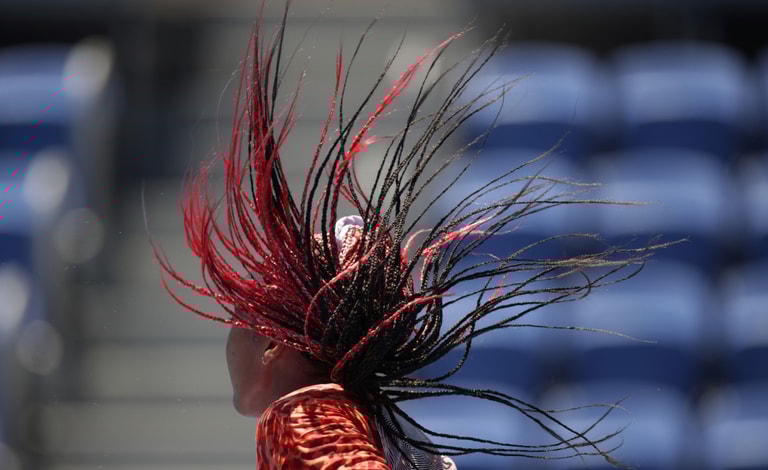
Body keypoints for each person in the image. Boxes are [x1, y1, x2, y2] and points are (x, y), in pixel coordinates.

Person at [149, 1, 666, 468]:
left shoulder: (304, 418)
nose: (235, 333)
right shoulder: (367, 423)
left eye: (246, 316)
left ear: (274, 344)